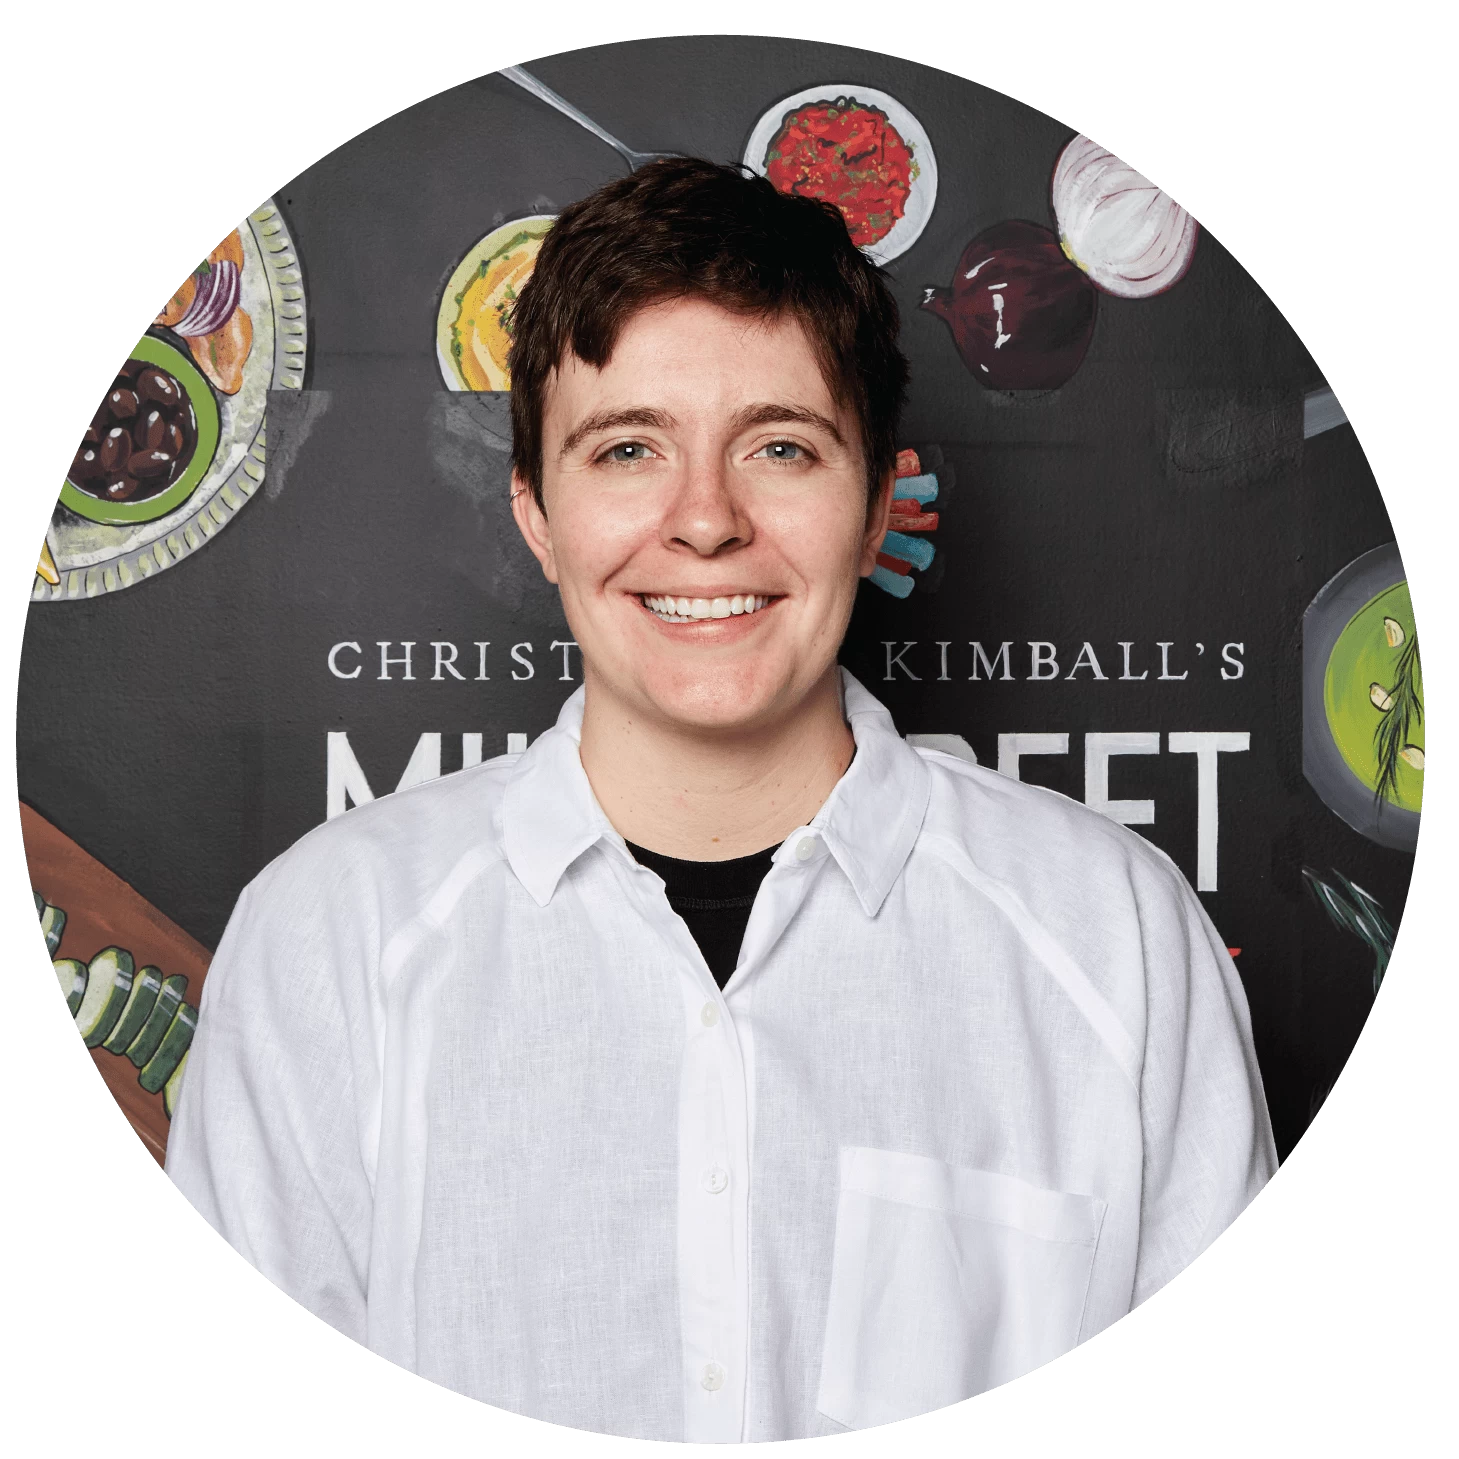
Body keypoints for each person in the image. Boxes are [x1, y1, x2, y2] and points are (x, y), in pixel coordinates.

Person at [165, 158, 1276, 1442]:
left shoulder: (1114, 936)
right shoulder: (327, 940)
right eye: (628, 448)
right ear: (537, 512)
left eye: (781, 447)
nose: (704, 521)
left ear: (877, 505)